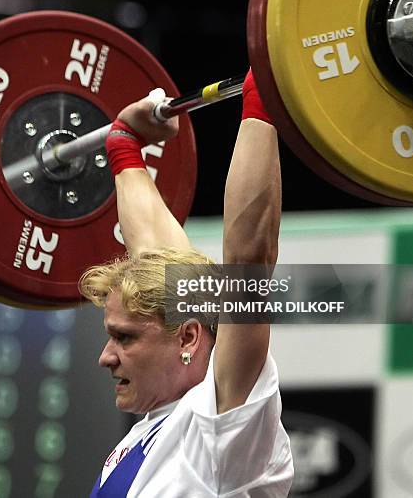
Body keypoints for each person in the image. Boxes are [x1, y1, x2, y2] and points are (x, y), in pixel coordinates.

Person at [79, 69, 294, 497]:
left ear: (189, 338)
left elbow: (248, 262)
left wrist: (265, 93)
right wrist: (124, 149)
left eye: (124, 338)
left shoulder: (220, 431)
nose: (106, 357)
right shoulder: (152, 434)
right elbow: (156, 259)